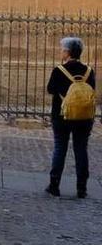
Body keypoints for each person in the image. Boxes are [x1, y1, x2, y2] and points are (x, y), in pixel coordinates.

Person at [45, 37, 96, 199]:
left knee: (60, 148)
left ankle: (54, 185)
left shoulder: (59, 70)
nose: (61, 52)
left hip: (62, 117)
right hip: (84, 118)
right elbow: (92, 90)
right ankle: (82, 188)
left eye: (62, 49)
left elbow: (50, 89)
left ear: (67, 52)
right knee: (81, 149)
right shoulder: (89, 71)